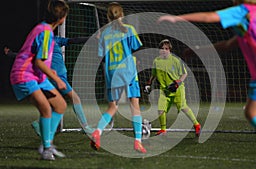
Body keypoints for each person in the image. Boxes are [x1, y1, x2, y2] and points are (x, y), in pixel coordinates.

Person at [158, 0, 256, 169]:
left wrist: (177, 19)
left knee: (252, 112)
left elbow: (210, 16)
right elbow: (227, 45)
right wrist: (198, 50)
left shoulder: (242, 10)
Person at [9, 0, 69, 160]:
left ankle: (46, 143)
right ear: (62, 18)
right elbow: (38, 61)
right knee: (46, 109)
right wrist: (57, 78)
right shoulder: (46, 32)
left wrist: (50, 70)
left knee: (61, 105)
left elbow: (39, 58)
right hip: (24, 74)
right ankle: (47, 148)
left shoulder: (43, 28)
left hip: (36, 75)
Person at [90, 2, 147, 153]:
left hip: (111, 72)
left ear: (108, 17)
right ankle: (137, 142)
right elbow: (135, 46)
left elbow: (101, 55)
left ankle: (98, 131)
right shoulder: (129, 29)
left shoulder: (104, 33)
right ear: (122, 15)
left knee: (112, 107)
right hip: (128, 71)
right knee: (135, 107)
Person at [29, 36, 95, 156]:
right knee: (74, 98)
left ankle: (39, 125)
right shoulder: (48, 41)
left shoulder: (51, 40)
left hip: (54, 77)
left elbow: (72, 40)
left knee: (56, 105)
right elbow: (28, 55)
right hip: (57, 77)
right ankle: (85, 126)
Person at [144, 39, 201, 137]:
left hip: (177, 89)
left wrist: (177, 83)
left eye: (166, 48)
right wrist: (149, 83)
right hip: (164, 90)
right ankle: (163, 130)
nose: (164, 50)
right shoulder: (156, 61)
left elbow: (184, 74)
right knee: (160, 110)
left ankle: (197, 125)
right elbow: (153, 74)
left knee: (183, 107)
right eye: (162, 48)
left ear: (170, 50)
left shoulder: (176, 60)